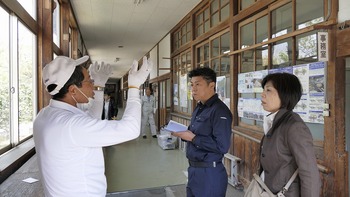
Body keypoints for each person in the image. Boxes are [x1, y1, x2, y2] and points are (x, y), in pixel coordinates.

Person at [33, 55, 152, 196]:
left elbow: (90, 119)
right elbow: (130, 130)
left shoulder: (44, 116)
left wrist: (99, 87)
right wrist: (133, 88)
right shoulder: (71, 125)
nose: (92, 83)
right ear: (72, 90)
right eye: (89, 81)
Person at [171, 67, 232, 197]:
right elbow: (194, 133)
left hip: (210, 173)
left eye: (198, 84)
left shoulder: (220, 111)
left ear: (212, 85)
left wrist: (193, 138)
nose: (193, 89)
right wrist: (183, 134)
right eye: (192, 85)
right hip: (194, 170)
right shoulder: (199, 107)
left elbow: (222, 146)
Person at [259, 72, 321, 196]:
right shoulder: (274, 122)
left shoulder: (294, 127)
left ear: (284, 94)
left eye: (268, 90)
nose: (263, 94)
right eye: (264, 90)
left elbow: (309, 173)